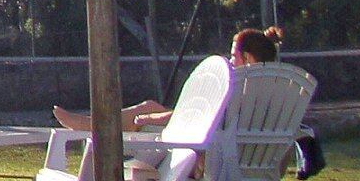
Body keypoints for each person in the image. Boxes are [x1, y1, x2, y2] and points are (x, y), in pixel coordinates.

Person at [52, 26, 289, 135]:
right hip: (216, 138)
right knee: (149, 107)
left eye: (233, 55)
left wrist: (148, 119)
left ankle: (92, 125)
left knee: (145, 115)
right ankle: (92, 121)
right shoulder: (270, 87)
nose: (229, 60)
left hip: (204, 146)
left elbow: (200, 116)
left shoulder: (239, 86)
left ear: (247, 58)